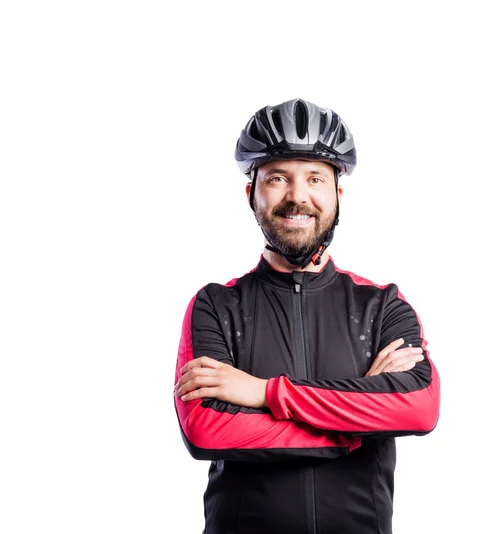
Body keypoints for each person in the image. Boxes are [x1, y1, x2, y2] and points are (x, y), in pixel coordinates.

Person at [173, 98, 440, 534]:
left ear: (337, 192)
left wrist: (264, 393)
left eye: (314, 178)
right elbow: (209, 428)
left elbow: (416, 408)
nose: (297, 195)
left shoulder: (382, 306)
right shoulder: (215, 306)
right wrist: (352, 429)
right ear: (251, 194)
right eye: (278, 178)